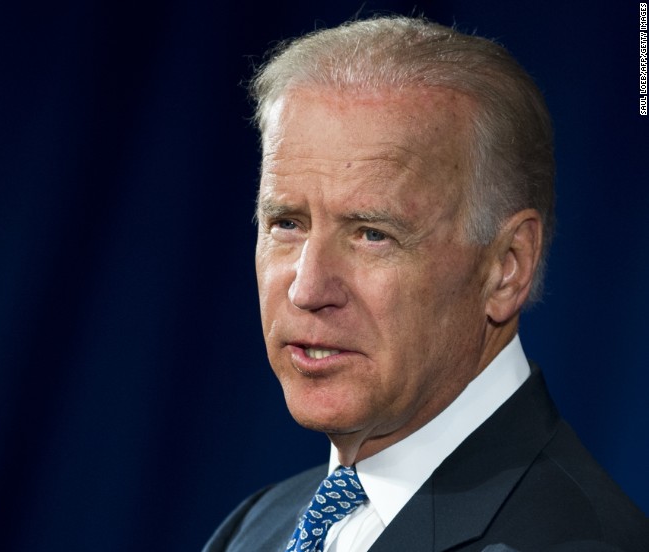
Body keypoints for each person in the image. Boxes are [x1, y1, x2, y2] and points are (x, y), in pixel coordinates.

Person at [203, 15, 649, 552]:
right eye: (287, 224)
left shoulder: (579, 542)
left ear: (506, 267)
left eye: (371, 233)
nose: (307, 288)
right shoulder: (256, 528)